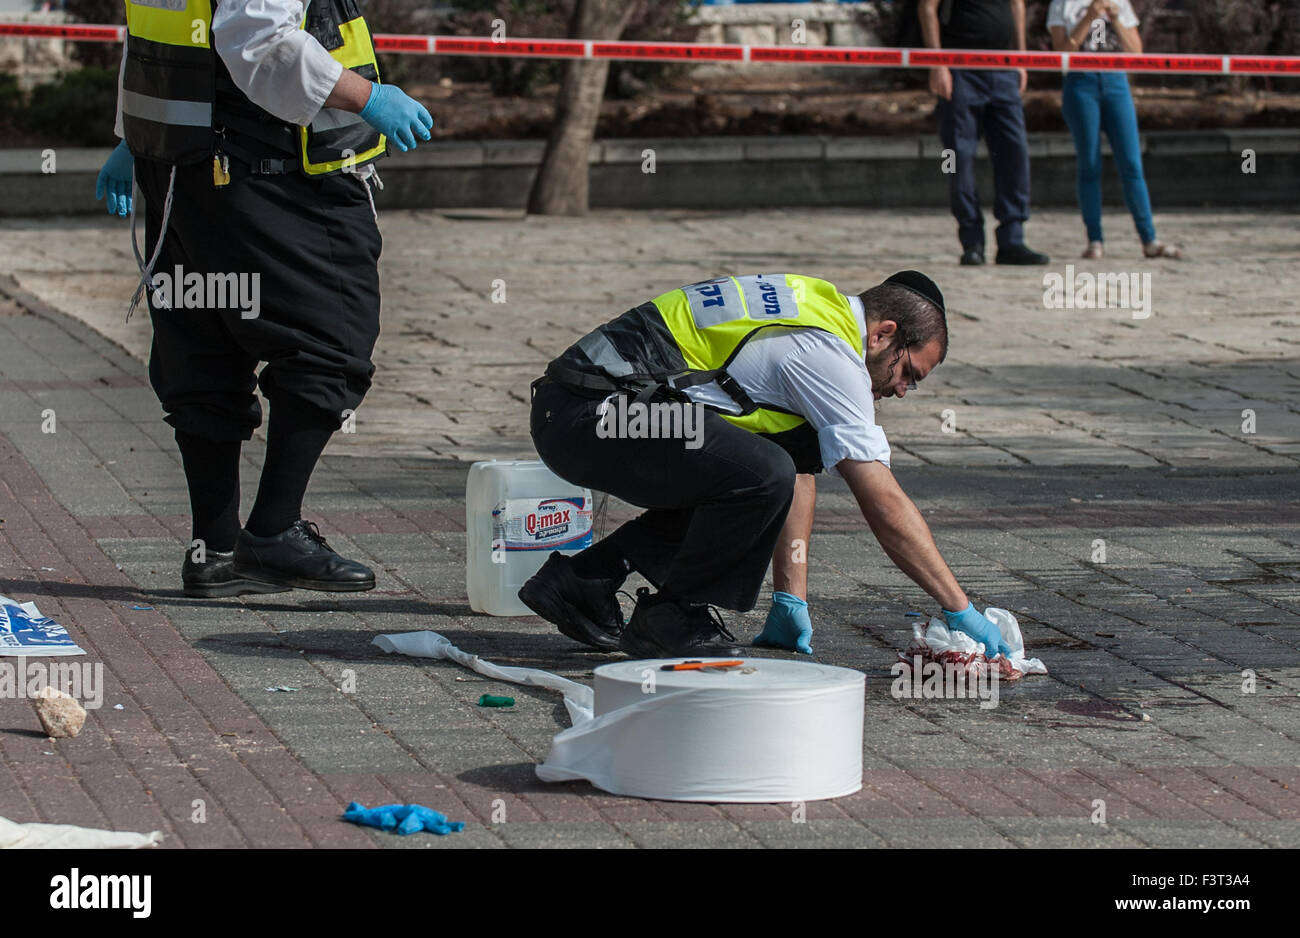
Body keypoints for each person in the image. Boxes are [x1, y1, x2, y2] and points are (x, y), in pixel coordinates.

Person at [95, 0, 434, 597]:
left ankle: (215, 550)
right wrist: (366, 97)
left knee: (203, 344)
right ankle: (273, 533)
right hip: (267, 168)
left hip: (181, 166)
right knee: (331, 339)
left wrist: (131, 134)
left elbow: (168, 32)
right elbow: (258, 39)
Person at [519, 271, 1014, 661]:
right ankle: (673, 620)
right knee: (758, 474)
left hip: (584, 410)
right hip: (592, 416)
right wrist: (959, 608)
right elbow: (880, 498)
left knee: (753, 469)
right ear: (885, 334)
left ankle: (585, 582)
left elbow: (797, 469)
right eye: (908, 373)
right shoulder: (830, 354)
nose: (902, 390)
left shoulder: (817, 306)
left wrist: (789, 601)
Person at [1048, 0, 1183, 260]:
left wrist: (1117, 19)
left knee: (1131, 163)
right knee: (1089, 164)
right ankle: (1095, 240)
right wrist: (1088, 18)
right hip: (1080, 82)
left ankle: (1149, 238)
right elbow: (1060, 54)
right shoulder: (1062, 4)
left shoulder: (1119, 2)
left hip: (1115, 81)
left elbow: (1136, 52)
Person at [919, 0, 1050, 266]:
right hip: (960, 70)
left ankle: (1012, 240)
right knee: (957, 159)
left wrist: (1020, 58)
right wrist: (937, 63)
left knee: (1015, 154)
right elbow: (927, 7)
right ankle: (972, 241)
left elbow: (1017, 5)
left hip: (1002, 69)